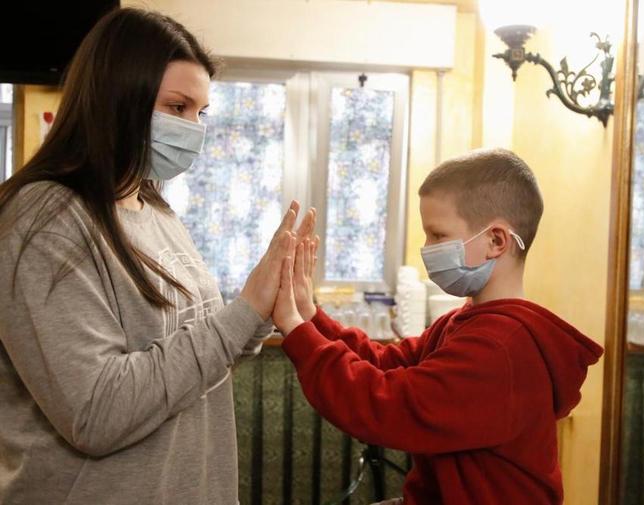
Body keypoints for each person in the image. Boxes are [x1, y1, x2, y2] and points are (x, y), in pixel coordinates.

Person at [0, 8, 312, 505]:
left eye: (201, 113)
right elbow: (96, 412)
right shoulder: (44, 217)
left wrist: (268, 306)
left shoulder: (152, 205)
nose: (194, 128)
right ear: (118, 98)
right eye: (177, 106)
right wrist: (244, 312)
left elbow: (198, 351)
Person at [272, 148, 605, 504]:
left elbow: (386, 404)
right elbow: (387, 364)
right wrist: (310, 316)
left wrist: (295, 329)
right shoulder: (467, 321)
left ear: (496, 241)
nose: (426, 248)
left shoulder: (500, 347)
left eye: (438, 235)